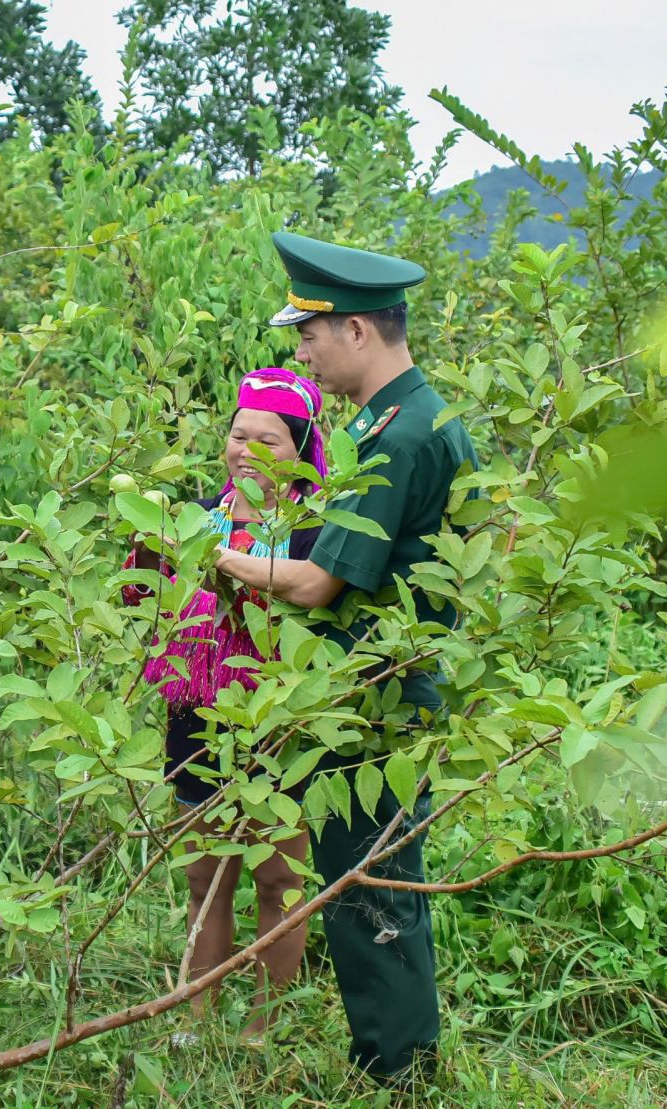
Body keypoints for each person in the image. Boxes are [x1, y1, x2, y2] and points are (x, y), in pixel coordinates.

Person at [214, 231, 480, 1080]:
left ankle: (397, 1077)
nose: (303, 354)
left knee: (374, 897)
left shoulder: (396, 438)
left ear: (358, 331)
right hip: (369, 695)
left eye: (311, 336)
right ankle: (391, 1063)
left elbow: (319, 583)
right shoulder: (400, 419)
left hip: (380, 702)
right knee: (367, 889)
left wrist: (210, 553)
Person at [121, 367, 326, 1046]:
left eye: (267, 439)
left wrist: (221, 563)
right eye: (239, 434)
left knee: (277, 882)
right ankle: (197, 1016)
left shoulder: (310, 530)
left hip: (280, 725)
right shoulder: (191, 519)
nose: (247, 450)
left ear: (298, 452)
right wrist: (148, 558)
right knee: (206, 880)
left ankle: (261, 1028)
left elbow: (317, 600)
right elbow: (145, 598)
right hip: (198, 723)